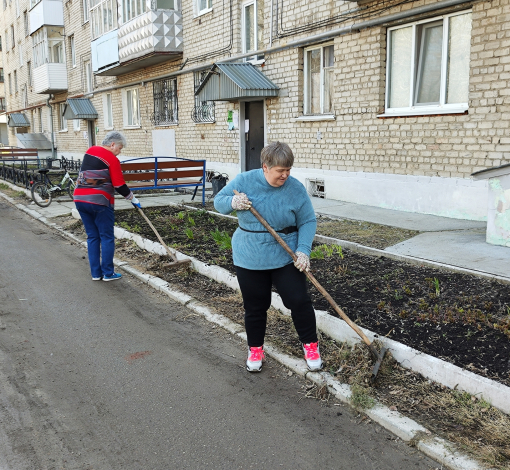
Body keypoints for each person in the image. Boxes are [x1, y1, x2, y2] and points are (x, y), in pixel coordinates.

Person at [214, 141, 322, 372]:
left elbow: (307, 220)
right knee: (255, 306)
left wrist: (303, 250)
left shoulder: (294, 188)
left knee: (298, 301)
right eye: (280, 171)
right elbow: (219, 202)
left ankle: (310, 345)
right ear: (265, 167)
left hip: (285, 254)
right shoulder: (244, 181)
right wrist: (233, 202)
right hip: (250, 255)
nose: (285, 175)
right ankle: (256, 349)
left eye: (288, 170)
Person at [73, 131, 141, 282]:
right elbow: (119, 184)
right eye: (120, 148)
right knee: (107, 237)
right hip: (100, 202)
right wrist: (133, 199)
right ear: (112, 145)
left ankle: (96, 274)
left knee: (92, 236)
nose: (119, 152)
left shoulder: (90, 151)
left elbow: (91, 176)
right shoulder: (112, 159)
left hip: (79, 199)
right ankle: (108, 273)